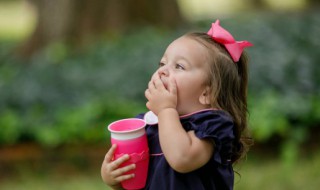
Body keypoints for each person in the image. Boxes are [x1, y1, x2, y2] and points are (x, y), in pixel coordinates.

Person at [101, 20, 253, 190]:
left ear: (207, 93)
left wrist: (166, 110)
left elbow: (182, 159)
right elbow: (136, 181)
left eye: (179, 66)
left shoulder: (213, 125)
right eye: (162, 63)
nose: (162, 71)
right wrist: (114, 178)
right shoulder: (148, 124)